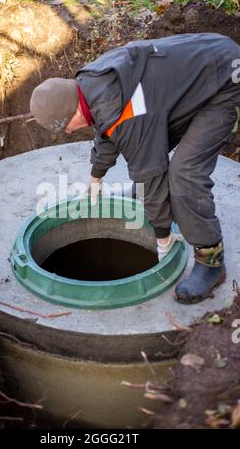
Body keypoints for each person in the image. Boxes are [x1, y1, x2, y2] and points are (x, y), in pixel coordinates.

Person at [30, 33, 240, 304]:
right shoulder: (91, 83)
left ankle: (211, 261)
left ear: (74, 112)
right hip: (206, 61)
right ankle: (154, 200)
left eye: (65, 126)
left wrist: (162, 237)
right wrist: (96, 175)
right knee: (154, 167)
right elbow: (106, 128)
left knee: (184, 173)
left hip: (226, 83)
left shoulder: (126, 114)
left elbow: (150, 171)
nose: (68, 133)